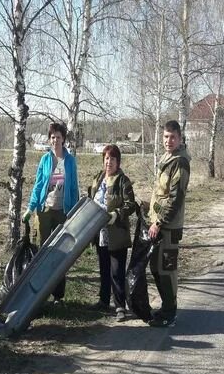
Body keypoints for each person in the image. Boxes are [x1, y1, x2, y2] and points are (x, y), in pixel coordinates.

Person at [23, 122, 79, 303]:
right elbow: (38, 185)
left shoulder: (70, 161)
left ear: (64, 140)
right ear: (49, 139)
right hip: (45, 212)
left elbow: (74, 187)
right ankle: (41, 293)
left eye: (59, 137)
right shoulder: (45, 160)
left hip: (62, 212)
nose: (55, 140)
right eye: (53, 137)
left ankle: (58, 295)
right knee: (44, 252)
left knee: (60, 254)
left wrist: (75, 210)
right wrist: (31, 208)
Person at [147, 120, 191, 327]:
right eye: (165, 136)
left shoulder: (180, 162)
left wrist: (160, 223)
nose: (168, 140)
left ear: (180, 138)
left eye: (172, 137)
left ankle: (170, 313)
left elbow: (175, 198)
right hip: (160, 224)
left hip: (169, 228)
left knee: (167, 269)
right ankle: (166, 307)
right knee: (156, 267)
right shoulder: (167, 159)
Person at [87, 144, 136, 322]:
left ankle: (120, 306)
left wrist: (116, 215)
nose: (109, 162)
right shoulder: (98, 178)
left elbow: (130, 205)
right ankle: (103, 300)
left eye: (113, 159)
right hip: (100, 232)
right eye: (107, 158)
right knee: (104, 268)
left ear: (118, 161)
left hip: (116, 233)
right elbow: (90, 199)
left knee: (117, 270)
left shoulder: (123, 181)